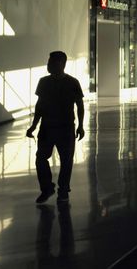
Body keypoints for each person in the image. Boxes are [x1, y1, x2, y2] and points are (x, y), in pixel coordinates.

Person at [26, 51, 86, 204]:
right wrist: (33, 125)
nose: (48, 65)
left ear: (61, 64)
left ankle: (63, 190)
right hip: (47, 127)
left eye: (51, 62)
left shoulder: (73, 83)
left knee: (66, 160)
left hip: (66, 128)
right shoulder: (43, 82)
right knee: (41, 158)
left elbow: (80, 105)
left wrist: (80, 125)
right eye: (48, 62)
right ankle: (47, 188)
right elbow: (40, 106)